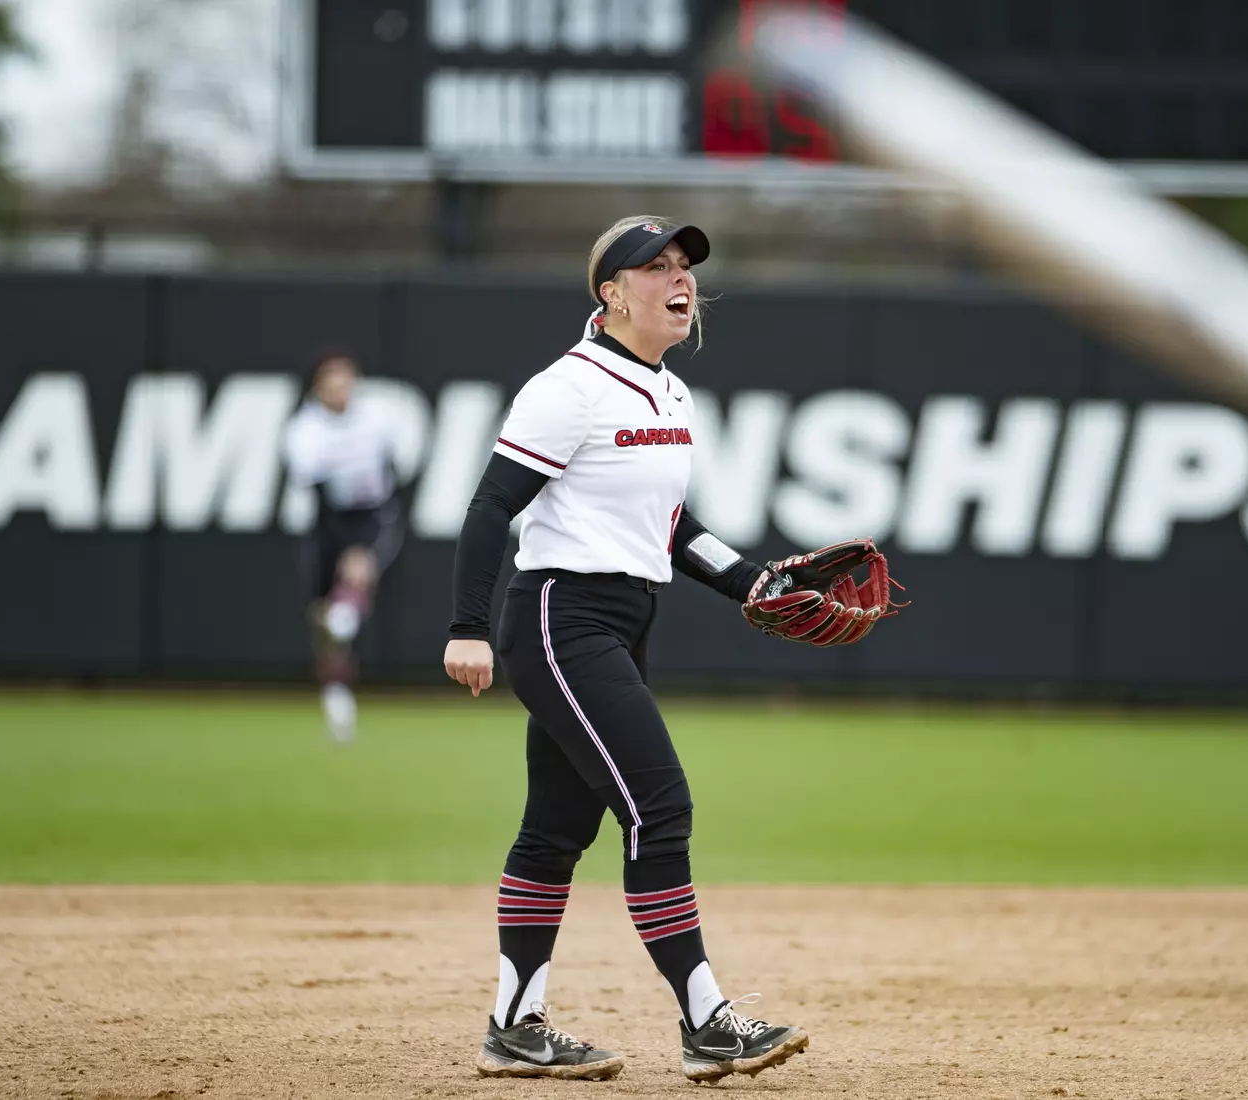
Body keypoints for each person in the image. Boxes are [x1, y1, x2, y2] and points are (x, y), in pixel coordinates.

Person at [444, 215, 876, 1084]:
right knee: (660, 806)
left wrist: (749, 581)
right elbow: (492, 507)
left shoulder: (668, 391)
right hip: (561, 618)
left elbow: (670, 523)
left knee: (555, 831)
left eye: (684, 266)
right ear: (610, 294)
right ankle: (708, 1020)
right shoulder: (569, 388)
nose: (679, 279)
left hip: (624, 619)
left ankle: (514, 1027)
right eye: (656, 268)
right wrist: (467, 626)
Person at [282, 352, 401, 741]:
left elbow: (394, 477)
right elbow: (316, 493)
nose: (340, 391)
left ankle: (347, 612)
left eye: (346, 382)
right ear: (319, 389)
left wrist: (362, 549)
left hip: (371, 519)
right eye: (332, 384)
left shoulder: (376, 420)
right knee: (323, 621)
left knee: (354, 583)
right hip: (327, 524)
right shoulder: (305, 430)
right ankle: (337, 698)